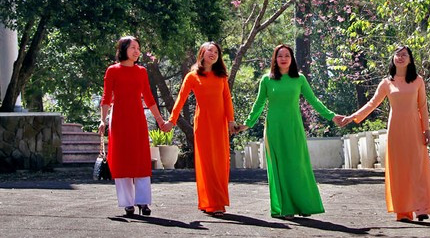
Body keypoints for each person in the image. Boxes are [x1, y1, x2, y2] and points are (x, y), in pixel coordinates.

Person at [237, 44, 344, 218]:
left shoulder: (299, 79)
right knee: (280, 168)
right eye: (280, 56)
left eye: (287, 55)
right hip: (274, 129)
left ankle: (304, 205)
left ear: (292, 58)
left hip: (294, 128)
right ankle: (286, 208)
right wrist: (247, 124)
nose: (284, 58)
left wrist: (332, 116)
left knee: (297, 166)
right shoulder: (267, 80)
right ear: (275, 59)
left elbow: (314, 101)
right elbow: (259, 105)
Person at [341, 46, 430, 222]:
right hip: (396, 130)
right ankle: (403, 211)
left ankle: (421, 208)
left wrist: (426, 129)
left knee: (417, 168)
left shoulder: (418, 80)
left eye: (404, 55)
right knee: (399, 170)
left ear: (410, 59)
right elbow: (372, 104)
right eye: (397, 54)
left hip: (415, 129)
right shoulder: (387, 83)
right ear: (393, 59)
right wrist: (353, 117)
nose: (400, 57)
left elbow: (422, 106)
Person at [99, 35, 168, 217]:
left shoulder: (141, 72)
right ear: (123, 50)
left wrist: (160, 120)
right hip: (119, 120)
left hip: (137, 120)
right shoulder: (112, 71)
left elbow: (149, 98)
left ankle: (143, 202)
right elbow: (106, 98)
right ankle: (127, 203)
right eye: (133, 48)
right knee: (122, 160)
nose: (137, 51)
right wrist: (102, 120)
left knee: (140, 159)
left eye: (138, 48)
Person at [166, 41, 239, 216]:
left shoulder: (222, 77)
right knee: (207, 164)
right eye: (209, 51)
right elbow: (180, 99)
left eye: (216, 52)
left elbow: (227, 100)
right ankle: (212, 203)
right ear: (202, 54)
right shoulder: (192, 76)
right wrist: (171, 121)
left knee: (221, 163)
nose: (213, 54)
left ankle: (217, 201)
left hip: (220, 124)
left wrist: (231, 121)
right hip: (203, 124)